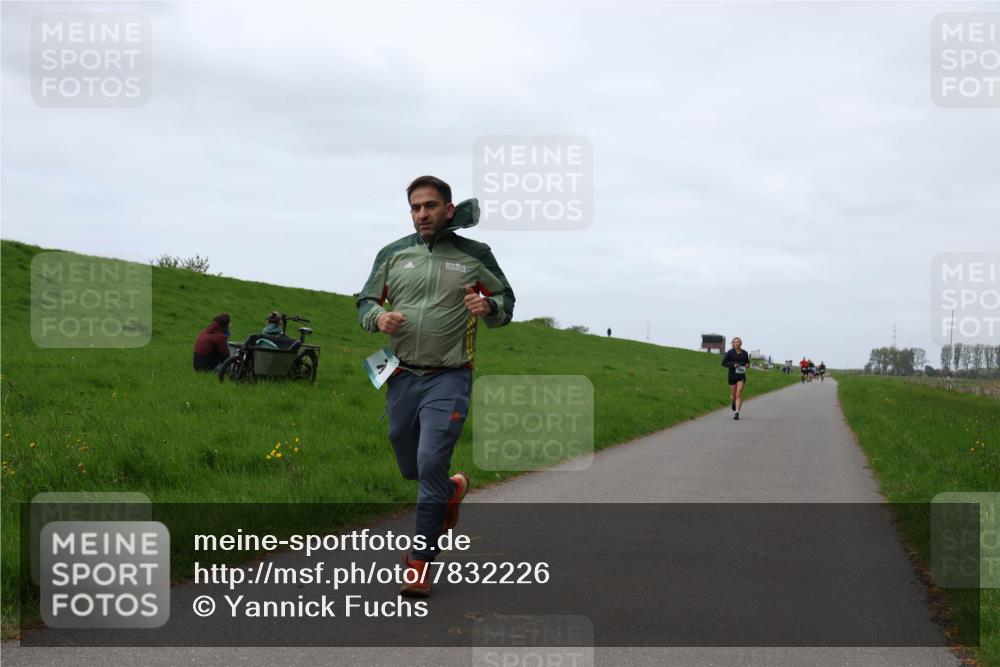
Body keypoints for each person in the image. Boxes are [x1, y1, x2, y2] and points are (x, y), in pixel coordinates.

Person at [357, 175, 515, 597]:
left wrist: (489, 305)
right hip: (401, 372)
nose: (422, 214)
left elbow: (507, 303)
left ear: (448, 209)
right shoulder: (393, 254)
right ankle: (450, 490)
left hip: (450, 375)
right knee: (410, 464)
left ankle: (419, 561)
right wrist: (378, 318)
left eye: (429, 206)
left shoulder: (474, 254)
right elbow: (365, 302)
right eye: (415, 207)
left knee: (429, 461)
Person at [721, 337, 750, 420]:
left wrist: (748, 365)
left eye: (738, 342)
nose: (736, 343)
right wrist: (733, 365)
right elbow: (723, 363)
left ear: (741, 343)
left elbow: (747, 362)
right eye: (735, 342)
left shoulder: (745, 353)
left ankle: (737, 412)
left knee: (739, 392)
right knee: (733, 396)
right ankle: (733, 402)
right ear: (733, 344)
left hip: (741, 375)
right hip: (732, 375)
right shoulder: (730, 353)